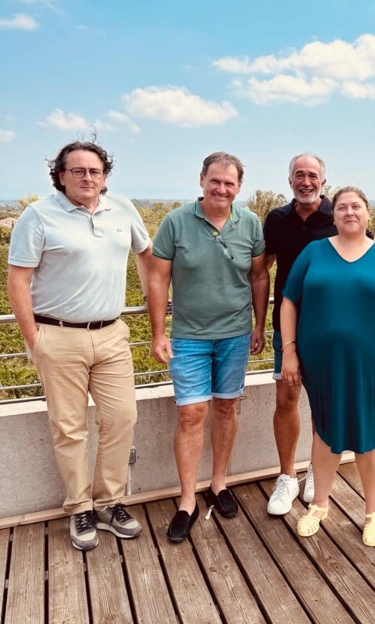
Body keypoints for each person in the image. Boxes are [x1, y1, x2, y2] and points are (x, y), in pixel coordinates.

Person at [7, 140, 152, 551]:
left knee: (122, 418)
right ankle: (79, 509)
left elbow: (146, 253)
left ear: (105, 176)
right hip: (58, 335)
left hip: (111, 333)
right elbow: (18, 280)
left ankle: (109, 502)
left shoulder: (121, 208)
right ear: (61, 175)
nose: (88, 178)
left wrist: (150, 297)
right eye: (78, 171)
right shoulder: (38, 216)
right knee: (69, 429)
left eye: (95, 171)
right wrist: (34, 340)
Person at [281, 187, 375, 546]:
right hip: (320, 363)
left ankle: (374, 512)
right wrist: (290, 351)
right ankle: (320, 505)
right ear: (334, 214)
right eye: (342, 207)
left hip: (372, 364)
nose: (349, 212)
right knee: (325, 429)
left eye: (356, 206)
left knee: (369, 432)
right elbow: (289, 302)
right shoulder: (313, 253)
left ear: (368, 213)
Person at [148, 151, 269, 543]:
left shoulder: (249, 222)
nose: (221, 188)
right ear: (201, 180)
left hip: (235, 335)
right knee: (191, 414)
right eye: (214, 181)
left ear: (238, 187)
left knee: (228, 406)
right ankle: (186, 500)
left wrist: (259, 325)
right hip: (188, 337)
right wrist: (157, 332)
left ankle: (219, 483)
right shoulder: (176, 222)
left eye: (229, 183)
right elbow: (157, 280)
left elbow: (259, 277)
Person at [263, 153, 333, 515]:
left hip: (330, 329)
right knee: (286, 401)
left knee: (324, 404)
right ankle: (287, 477)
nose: (306, 181)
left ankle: (317, 475)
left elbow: (367, 257)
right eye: (298, 175)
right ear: (289, 180)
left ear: (324, 180)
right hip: (286, 327)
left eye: (312, 175)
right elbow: (260, 271)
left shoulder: (340, 216)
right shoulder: (275, 220)